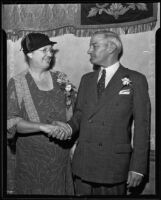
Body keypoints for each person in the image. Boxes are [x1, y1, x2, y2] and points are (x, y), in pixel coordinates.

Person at [53, 30, 151, 195]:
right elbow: (79, 115)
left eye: (94, 45)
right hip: (83, 164)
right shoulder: (86, 79)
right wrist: (68, 128)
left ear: (111, 47)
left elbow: (142, 126)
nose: (89, 50)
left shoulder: (135, 79)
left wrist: (138, 168)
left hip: (113, 166)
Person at [7, 32, 74, 195]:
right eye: (44, 50)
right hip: (33, 162)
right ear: (29, 54)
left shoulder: (61, 78)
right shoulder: (18, 82)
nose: (50, 54)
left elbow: (71, 112)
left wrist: (70, 135)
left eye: (51, 49)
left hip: (60, 158)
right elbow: (11, 122)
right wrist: (45, 127)